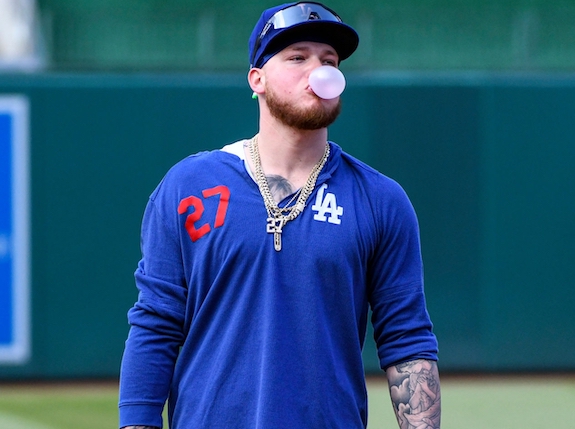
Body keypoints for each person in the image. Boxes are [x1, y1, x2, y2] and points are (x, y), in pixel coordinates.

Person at [118, 2, 440, 428]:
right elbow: (156, 324)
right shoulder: (188, 187)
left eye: (329, 60)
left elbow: (407, 339)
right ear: (258, 79)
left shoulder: (380, 199)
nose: (319, 71)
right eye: (297, 57)